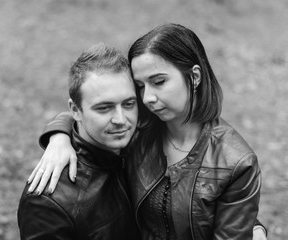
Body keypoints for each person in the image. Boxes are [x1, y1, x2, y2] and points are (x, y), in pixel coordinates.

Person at [28, 23, 268, 240]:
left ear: (194, 76)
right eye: (140, 86)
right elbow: (93, 108)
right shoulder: (142, 127)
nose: (148, 98)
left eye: (159, 81)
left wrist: (254, 229)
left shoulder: (236, 162)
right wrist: (58, 136)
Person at [17, 43, 140, 240]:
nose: (121, 119)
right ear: (75, 110)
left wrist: (58, 132)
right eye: (104, 108)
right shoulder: (48, 202)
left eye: (128, 104)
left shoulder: (142, 144)